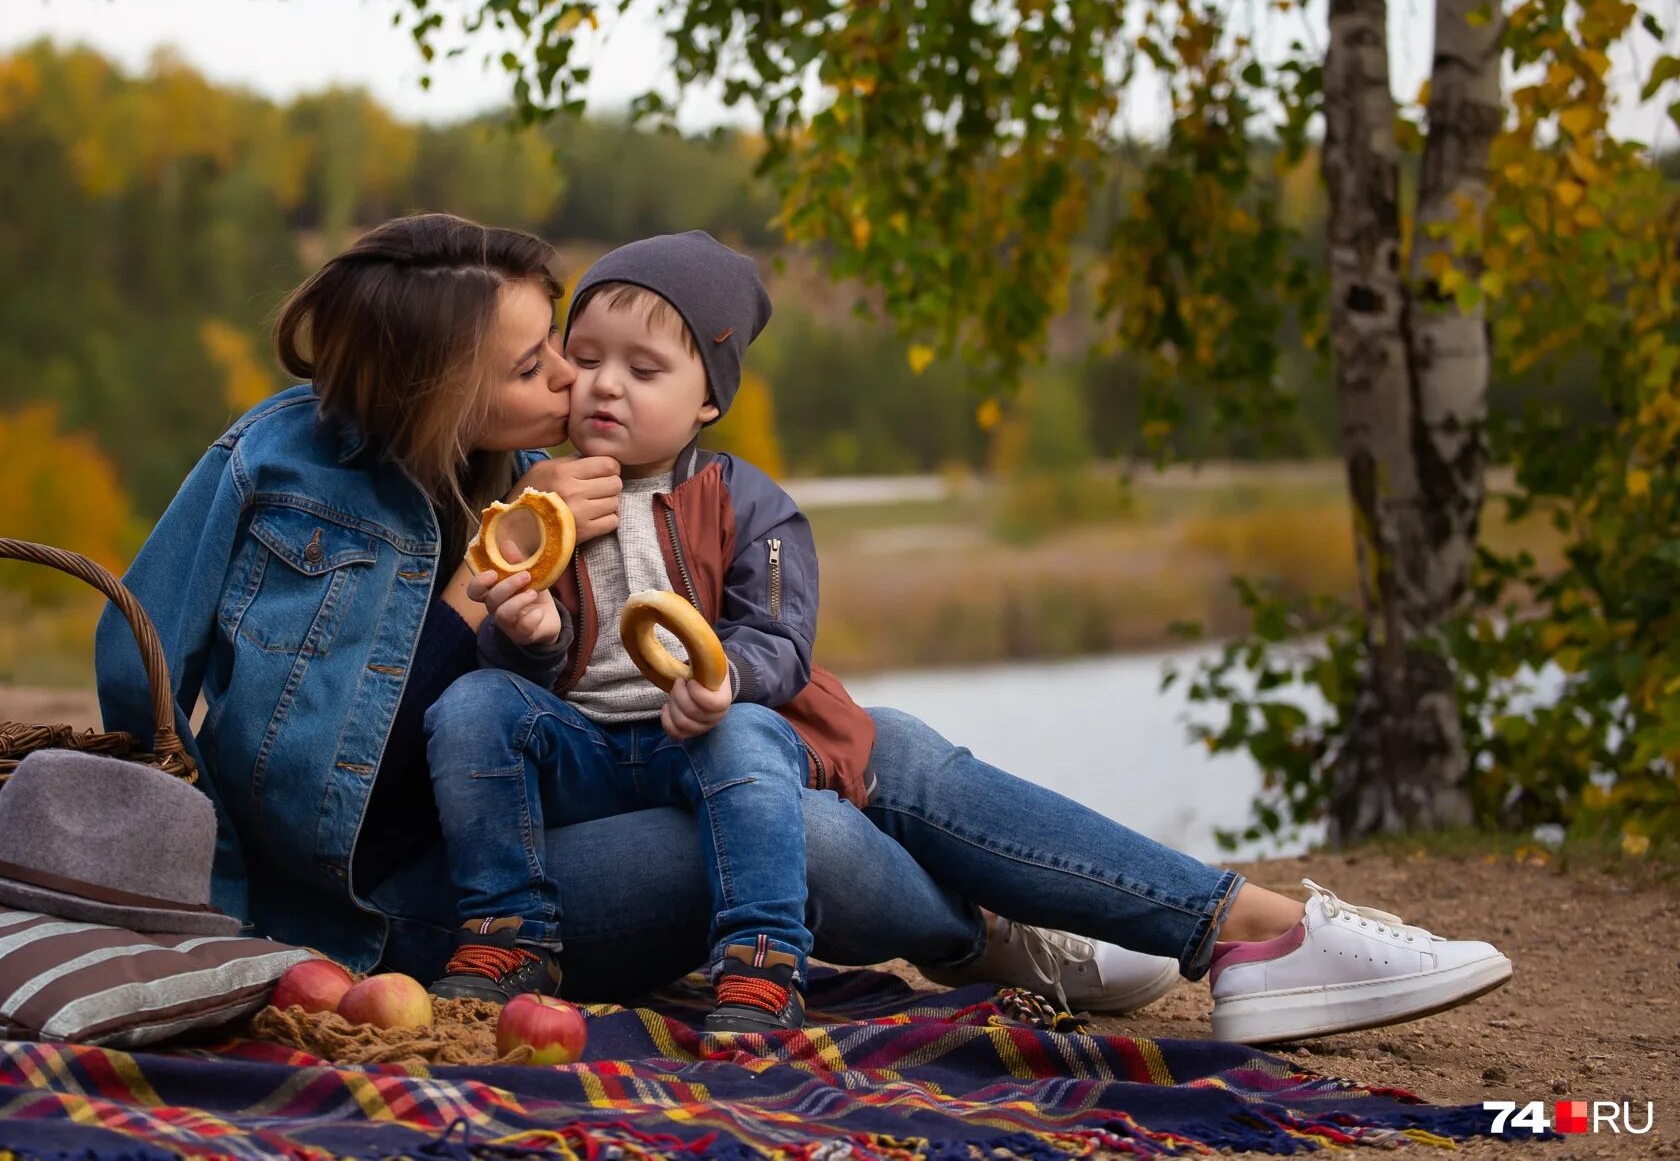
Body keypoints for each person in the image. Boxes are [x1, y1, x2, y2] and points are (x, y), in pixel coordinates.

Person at [96, 213, 1513, 1045]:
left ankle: (1243, 929)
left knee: (864, 741)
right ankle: (1003, 937)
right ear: (436, 379)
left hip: (572, 813)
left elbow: (628, 682)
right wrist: (467, 619)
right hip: (423, 912)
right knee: (816, 835)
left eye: (579, 356)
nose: (570, 383)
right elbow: (140, 674)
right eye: (537, 364)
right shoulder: (287, 464)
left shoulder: (518, 485)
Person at [426, 232, 864, 1033]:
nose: (605, 386)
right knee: (472, 704)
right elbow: (515, 662)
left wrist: (724, 678)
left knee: (751, 734)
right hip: (581, 747)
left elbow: (780, 636)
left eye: (644, 369)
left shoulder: (747, 500)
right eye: (585, 358)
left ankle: (761, 956)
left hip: (685, 737)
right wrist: (528, 633)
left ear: (707, 398)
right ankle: (509, 928)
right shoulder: (535, 494)